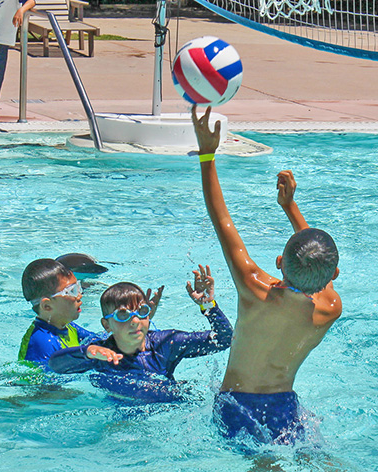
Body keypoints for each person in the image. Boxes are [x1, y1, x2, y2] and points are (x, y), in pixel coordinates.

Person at [192, 105, 342, 448]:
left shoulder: (254, 288)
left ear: (278, 262)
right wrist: (290, 208)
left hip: (237, 405)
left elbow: (222, 220)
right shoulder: (330, 308)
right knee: (315, 458)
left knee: (264, 465)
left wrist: (207, 155)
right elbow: (319, 271)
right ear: (333, 274)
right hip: (285, 405)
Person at [47, 266, 232, 401]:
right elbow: (55, 366)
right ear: (106, 325)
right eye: (123, 315)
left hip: (171, 408)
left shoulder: (166, 344)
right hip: (123, 417)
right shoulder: (102, 355)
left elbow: (224, 339)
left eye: (142, 312)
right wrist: (86, 352)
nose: (135, 321)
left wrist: (208, 305)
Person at [19, 258, 101, 368]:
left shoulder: (67, 326)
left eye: (78, 287)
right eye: (72, 291)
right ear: (47, 306)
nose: (79, 296)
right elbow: (48, 378)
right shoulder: (43, 342)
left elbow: (96, 339)